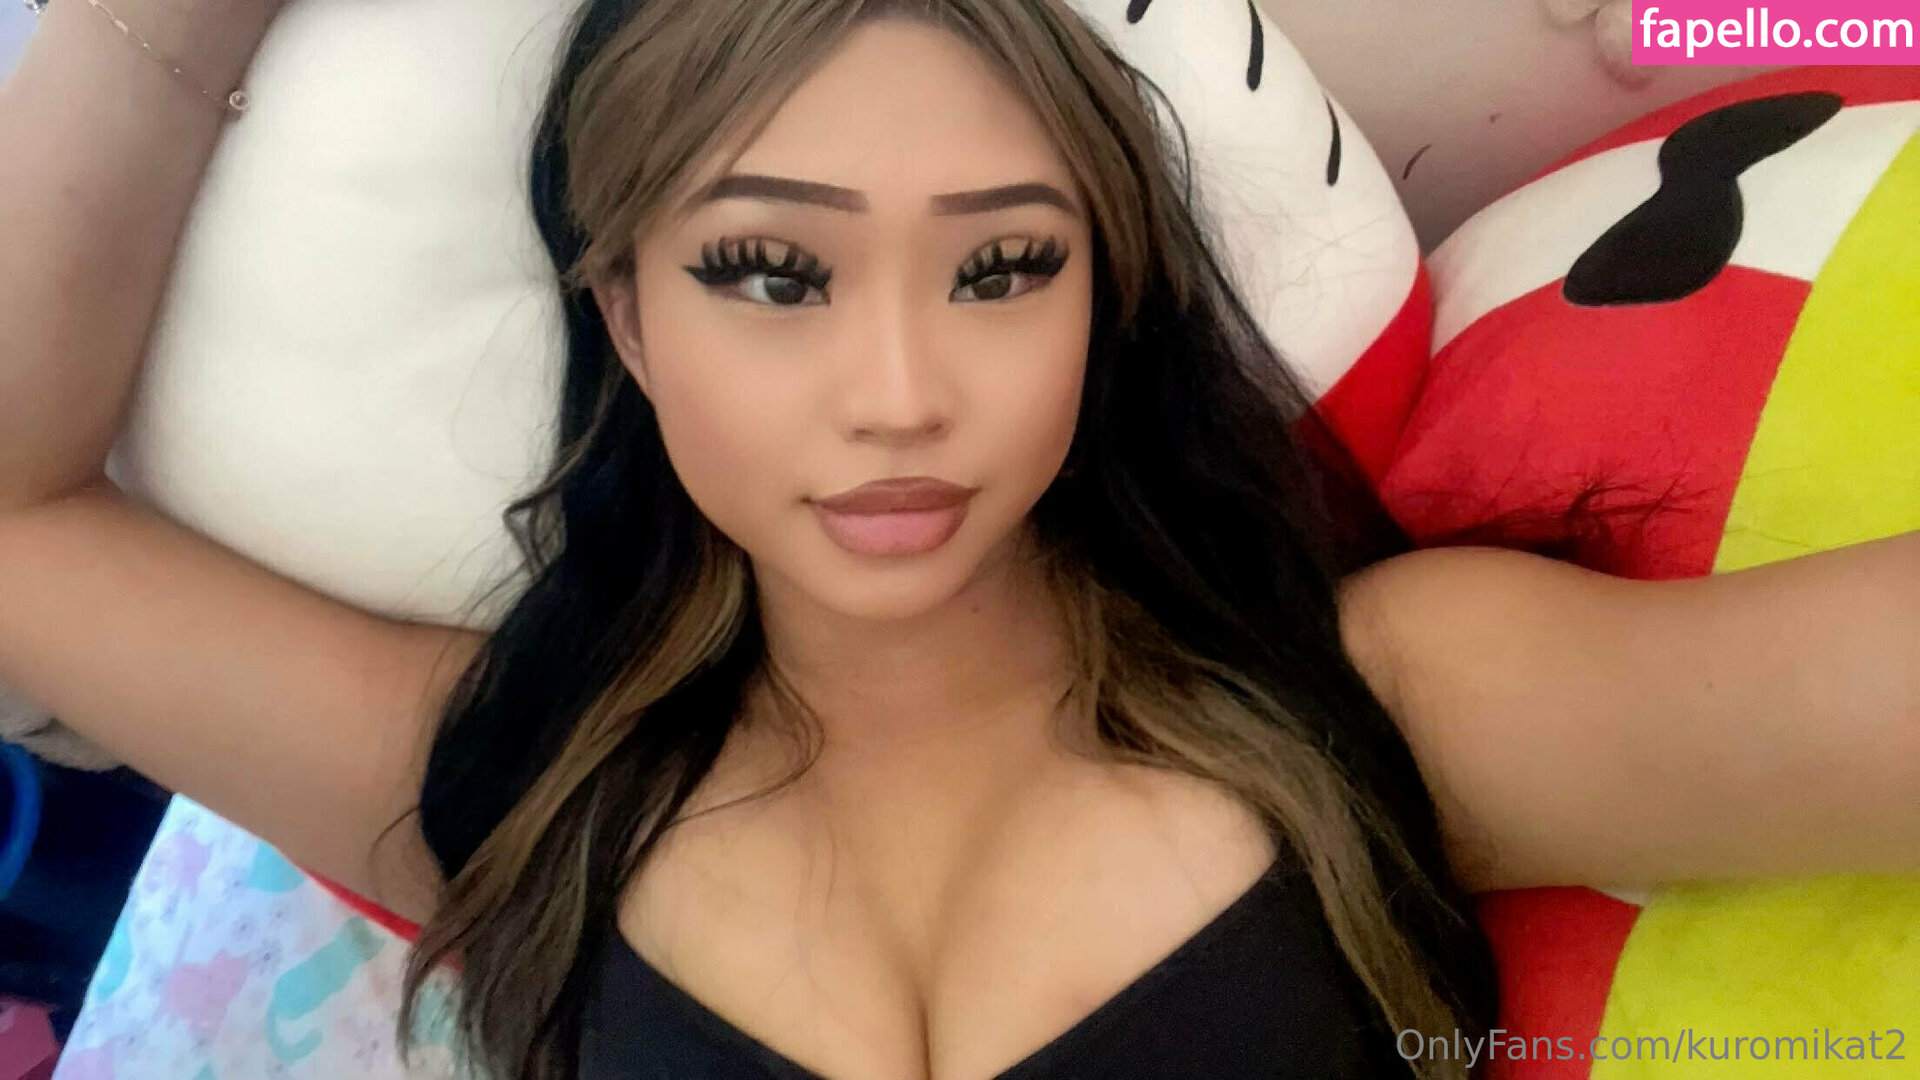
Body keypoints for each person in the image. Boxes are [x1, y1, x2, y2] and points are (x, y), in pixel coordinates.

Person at [1, 1, 1915, 1078]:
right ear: (629, 320)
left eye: (1003, 267)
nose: (902, 394)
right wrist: (161, 26)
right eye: (773, 272)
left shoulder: (1373, 702)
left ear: (1104, 305)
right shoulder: (512, 775)